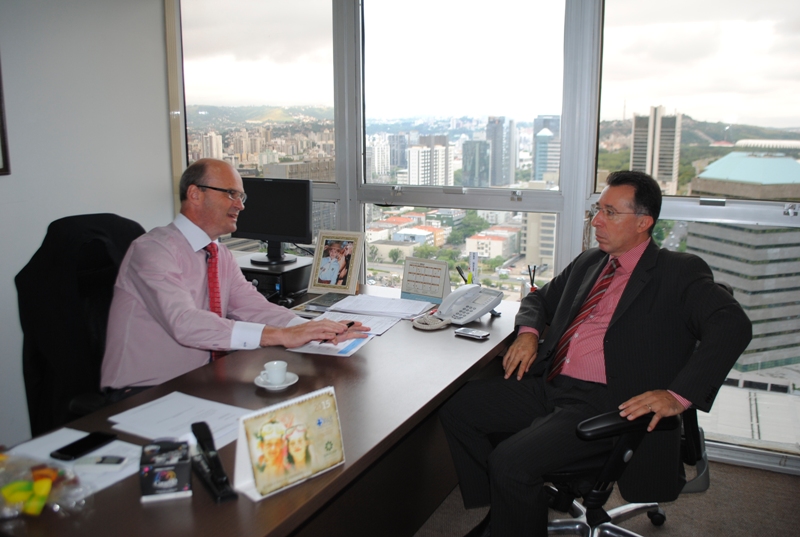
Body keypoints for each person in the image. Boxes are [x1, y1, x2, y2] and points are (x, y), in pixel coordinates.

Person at [439, 170, 752, 537]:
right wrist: (528, 334)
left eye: (610, 212)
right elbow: (539, 299)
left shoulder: (678, 272)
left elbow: (733, 325)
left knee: (510, 462)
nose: (597, 221)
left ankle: (512, 500)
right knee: (458, 406)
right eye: (597, 210)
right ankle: (504, 507)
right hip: (553, 383)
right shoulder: (591, 262)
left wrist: (677, 395)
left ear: (643, 223)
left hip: (607, 402)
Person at [101, 159, 368, 396]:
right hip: (145, 392)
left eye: (241, 196)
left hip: (201, 381)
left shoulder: (219, 254)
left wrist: (314, 330)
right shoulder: (152, 250)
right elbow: (185, 322)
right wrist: (280, 335)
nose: (240, 205)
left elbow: (253, 307)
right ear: (195, 194)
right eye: (231, 194)